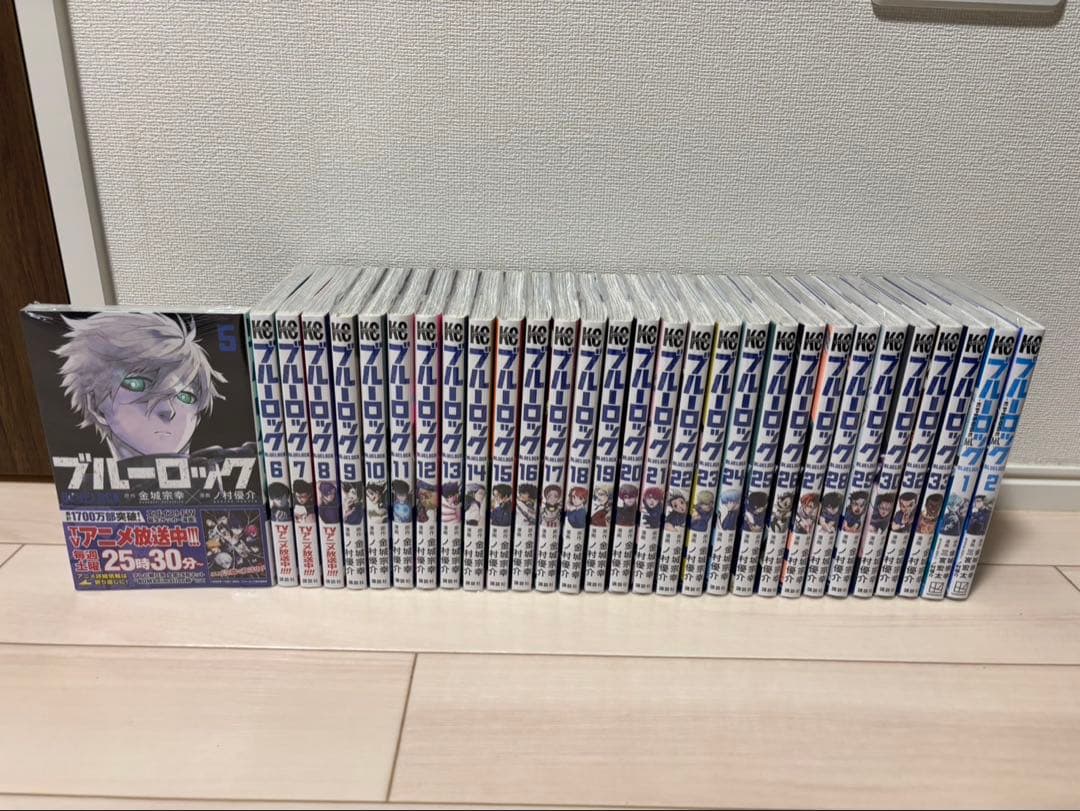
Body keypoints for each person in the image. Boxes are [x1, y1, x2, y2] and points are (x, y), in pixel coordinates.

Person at [55, 312, 226, 460]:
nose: (168, 410)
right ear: (96, 404)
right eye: (138, 384)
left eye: (185, 397)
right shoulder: (87, 485)